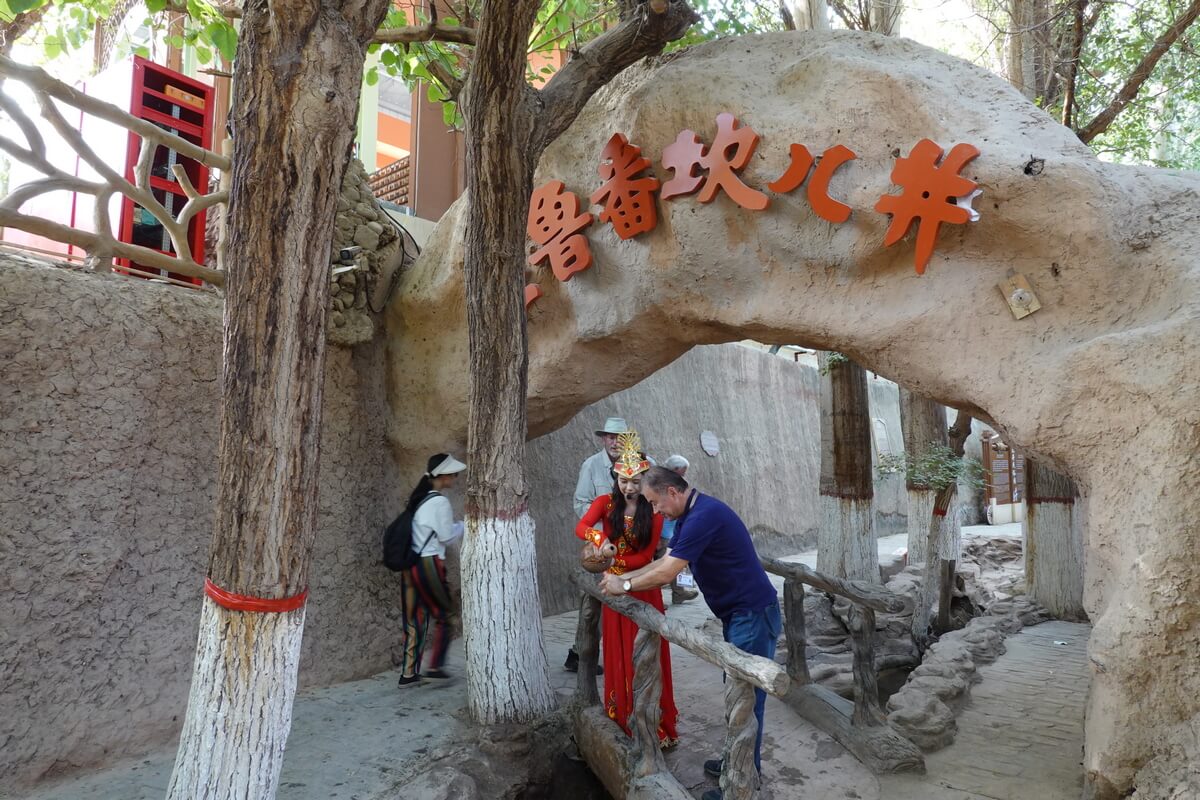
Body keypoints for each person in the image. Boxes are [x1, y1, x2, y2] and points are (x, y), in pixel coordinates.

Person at [601, 466, 780, 800]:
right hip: (741, 615)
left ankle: (742, 784)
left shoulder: (703, 517)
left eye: (655, 503)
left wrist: (623, 583)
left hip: (752, 616)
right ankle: (735, 762)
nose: (655, 511)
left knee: (746, 701)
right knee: (737, 694)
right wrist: (623, 578)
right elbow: (661, 562)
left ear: (672, 492)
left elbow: (667, 572)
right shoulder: (691, 515)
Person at [578, 431, 679, 746]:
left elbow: (646, 556)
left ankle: (653, 723)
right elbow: (580, 526)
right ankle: (621, 713)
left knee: (648, 653)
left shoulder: (654, 511)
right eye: (623, 480)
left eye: (636, 481)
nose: (630, 487)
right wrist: (600, 540)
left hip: (642, 587)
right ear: (616, 477)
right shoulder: (604, 503)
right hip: (614, 590)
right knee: (618, 652)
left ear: (645, 479)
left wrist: (615, 566)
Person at [565, 416, 629, 672]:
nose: (615, 442)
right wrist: (600, 539)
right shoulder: (591, 466)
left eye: (620, 437)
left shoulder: (644, 464)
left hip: (631, 546)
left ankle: (625, 653)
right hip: (601, 548)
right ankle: (580, 653)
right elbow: (581, 504)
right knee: (593, 603)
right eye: (611, 437)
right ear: (603, 438)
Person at [398, 453, 466, 688]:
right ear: (444, 476)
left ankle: (409, 673)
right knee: (446, 615)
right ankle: (435, 667)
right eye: (453, 474)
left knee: (415, 618)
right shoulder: (439, 502)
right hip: (429, 563)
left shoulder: (421, 499)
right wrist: (464, 527)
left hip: (412, 565)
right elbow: (446, 537)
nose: (456, 477)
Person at [660, 455, 698, 604]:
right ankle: (670, 595)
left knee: (675, 563)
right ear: (674, 470)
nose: (684, 474)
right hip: (664, 533)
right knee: (666, 565)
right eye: (683, 471)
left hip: (674, 530)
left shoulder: (677, 484)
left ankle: (679, 592)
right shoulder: (661, 485)